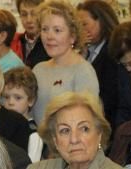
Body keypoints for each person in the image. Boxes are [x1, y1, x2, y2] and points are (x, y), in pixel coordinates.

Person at [31, 0, 100, 128]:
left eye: (57, 30)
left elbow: (88, 122)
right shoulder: (38, 69)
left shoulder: (83, 71)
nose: (49, 36)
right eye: (44, 29)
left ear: (72, 36)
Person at [77, 0, 120, 133]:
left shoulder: (113, 52)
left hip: (106, 123)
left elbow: (109, 97)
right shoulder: (82, 51)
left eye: (84, 24)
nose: (81, 30)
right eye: (78, 25)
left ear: (101, 22)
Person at [2, 66, 44, 161]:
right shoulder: (3, 124)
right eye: (6, 97)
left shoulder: (33, 133)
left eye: (18, 98)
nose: (10, 102)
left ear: (31, 100)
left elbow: (31, 167)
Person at [12, 0, 50, 68]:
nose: (29, 20)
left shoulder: (50, 43)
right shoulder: (14, 42)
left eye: (34, 14)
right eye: (24, 14)